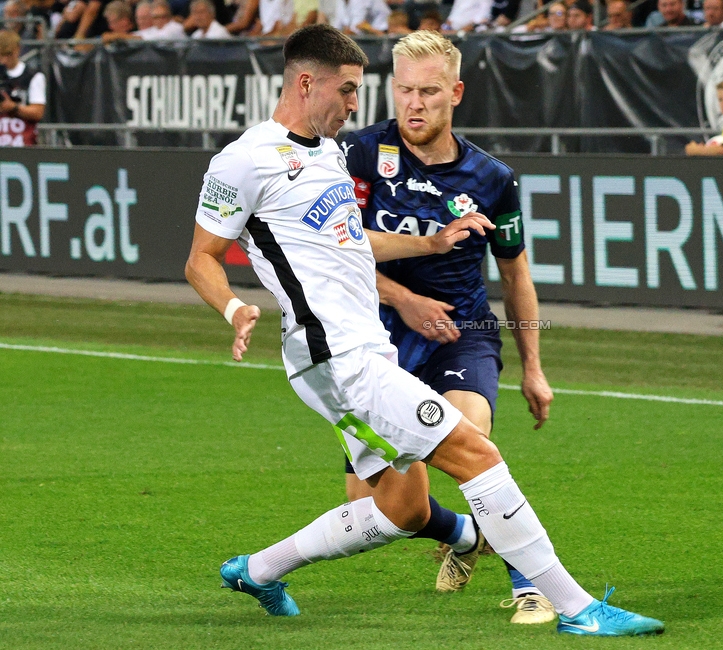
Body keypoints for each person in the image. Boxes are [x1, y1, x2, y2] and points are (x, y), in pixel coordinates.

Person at [185, 24, 665, 638]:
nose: (358, 104)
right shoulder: (243, 160)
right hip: (337, 356)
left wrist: (430, 242)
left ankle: (258, 569)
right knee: (476, 451)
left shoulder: (329, 154)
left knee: (402, 509)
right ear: (307, 83)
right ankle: (574, 607)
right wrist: (233, 308)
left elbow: (350, 243)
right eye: (350, 90)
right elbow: (202, 256)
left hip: (356, 351)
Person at [340, 29, 558, 626]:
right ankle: (466, 535)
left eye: (429, 92)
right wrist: (404, 299)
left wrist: (534, 367)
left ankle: (532, 583)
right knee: (389, 513)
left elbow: (516, 277)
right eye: (404, 90)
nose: (414, 104)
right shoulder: (360, 155)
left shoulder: (493, 180)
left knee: (469, 432)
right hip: (375, 337)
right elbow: (335, 254)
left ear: (455, 93)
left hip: (463, 331)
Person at [0, 29, 45, 147]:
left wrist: (13, 108)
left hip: (23, 142)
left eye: (8, 54)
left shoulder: (33, 76)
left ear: (17, 50)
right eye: (1, 55)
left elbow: (38, 112)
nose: (4, 60)